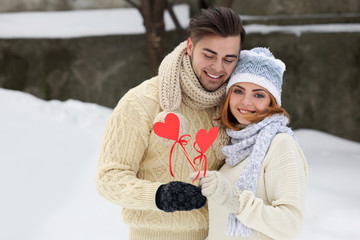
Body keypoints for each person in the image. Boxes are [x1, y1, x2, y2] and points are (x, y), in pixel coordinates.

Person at [96, 6, 246, 240]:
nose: (218, 68)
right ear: (189, 47)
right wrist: (159, 196)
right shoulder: (141, 102)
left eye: (229, 59)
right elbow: (108, 179)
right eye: (209, 55)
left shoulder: (234, 107)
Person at [193, 47, 309, 239]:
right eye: (238, 91)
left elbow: (290, 225)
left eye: (258, 94)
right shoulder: (233, 148)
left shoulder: (280, 144)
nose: (246, 102)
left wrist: (235, 201)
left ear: (272, 102)